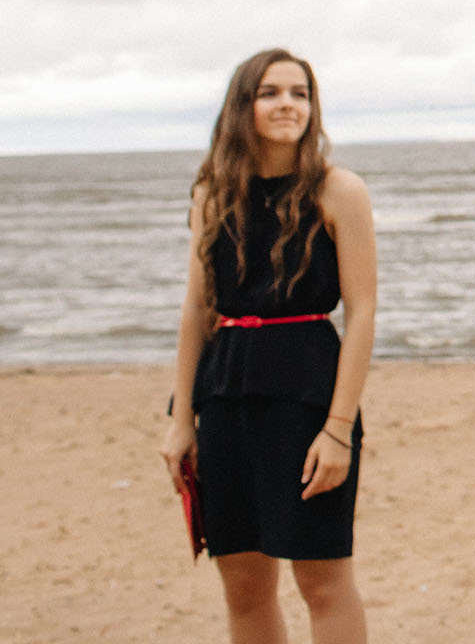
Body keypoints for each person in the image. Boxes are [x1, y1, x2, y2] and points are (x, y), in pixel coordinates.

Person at [159, 48, 378, 644]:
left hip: (309, 396)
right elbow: (197, 310)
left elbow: (361, 314)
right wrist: (182, 418)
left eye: (300, 93)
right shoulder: (212, 195)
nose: (288, 104)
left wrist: (337, 429)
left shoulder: (340, 191)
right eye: (271, 93)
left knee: (324, 581)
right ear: (243, 106)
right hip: (227, 395)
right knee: (245, 586)